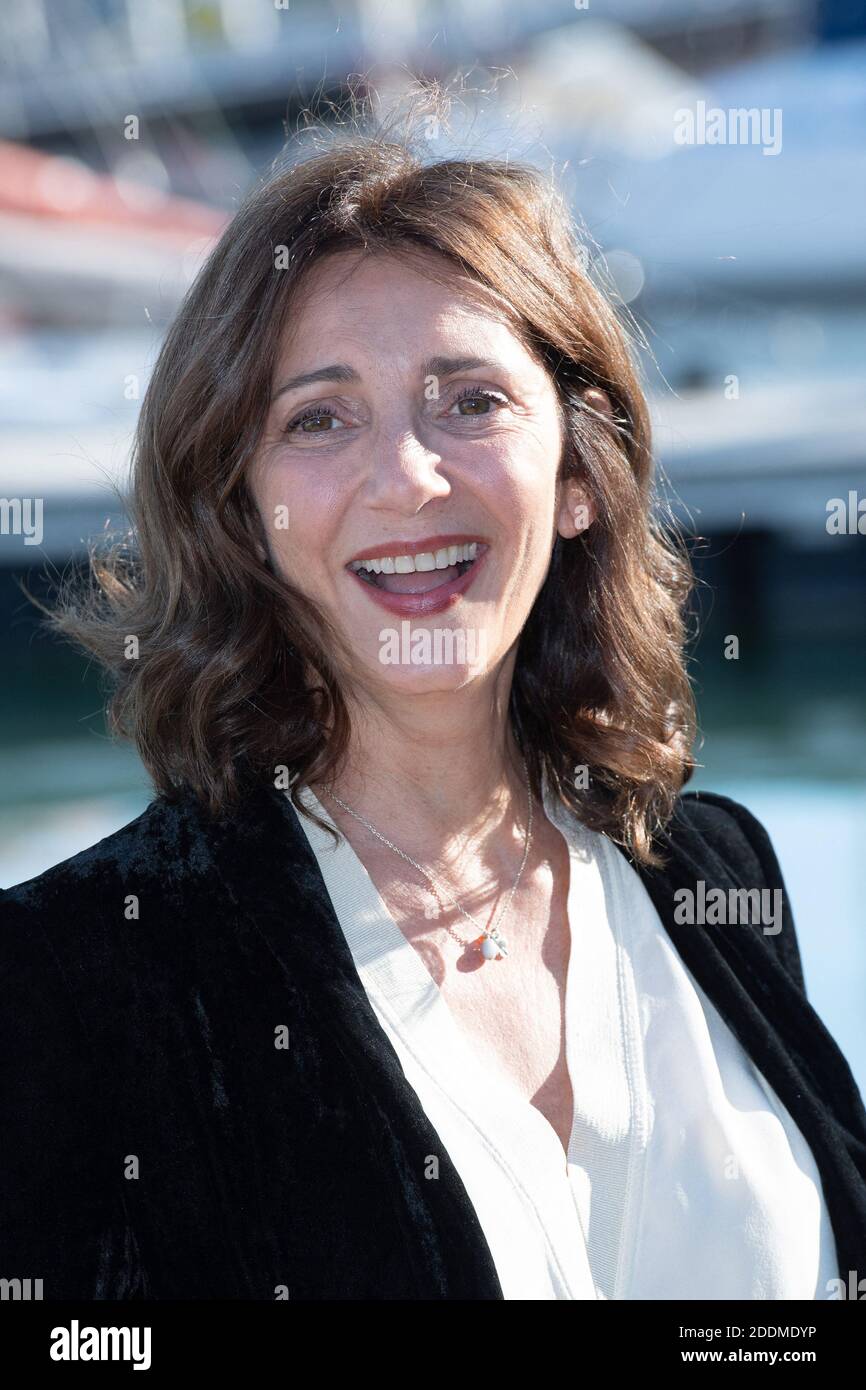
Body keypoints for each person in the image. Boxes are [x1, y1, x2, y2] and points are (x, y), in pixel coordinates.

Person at [2, 111, 865, 1302]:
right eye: (319, 416)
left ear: (574, 474)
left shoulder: (717, 875)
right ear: (244, 511)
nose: (407, 475)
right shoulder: (71, 973)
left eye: (468, 400)